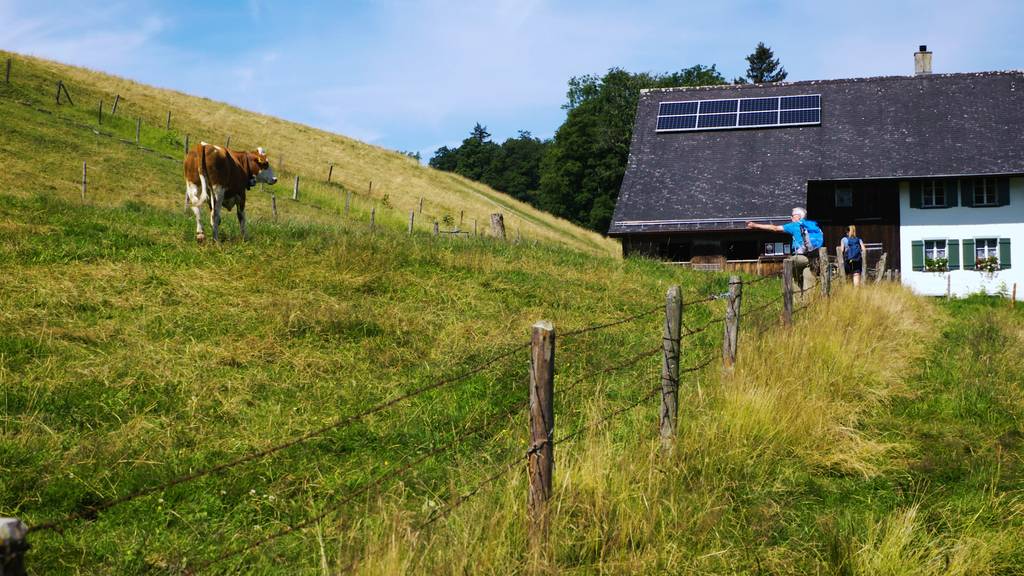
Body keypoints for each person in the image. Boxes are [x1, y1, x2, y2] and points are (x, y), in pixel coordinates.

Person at [746, 207, 824, 294]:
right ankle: (810, 300)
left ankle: (796, 299)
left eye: (792, 216)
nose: (791, 218)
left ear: (798, 216)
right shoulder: (813, 226)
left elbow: (774, 228)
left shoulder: (794, 225)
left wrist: (755, 225)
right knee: (808, 277)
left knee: (791, 275)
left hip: (799, 258)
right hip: (813, 258)